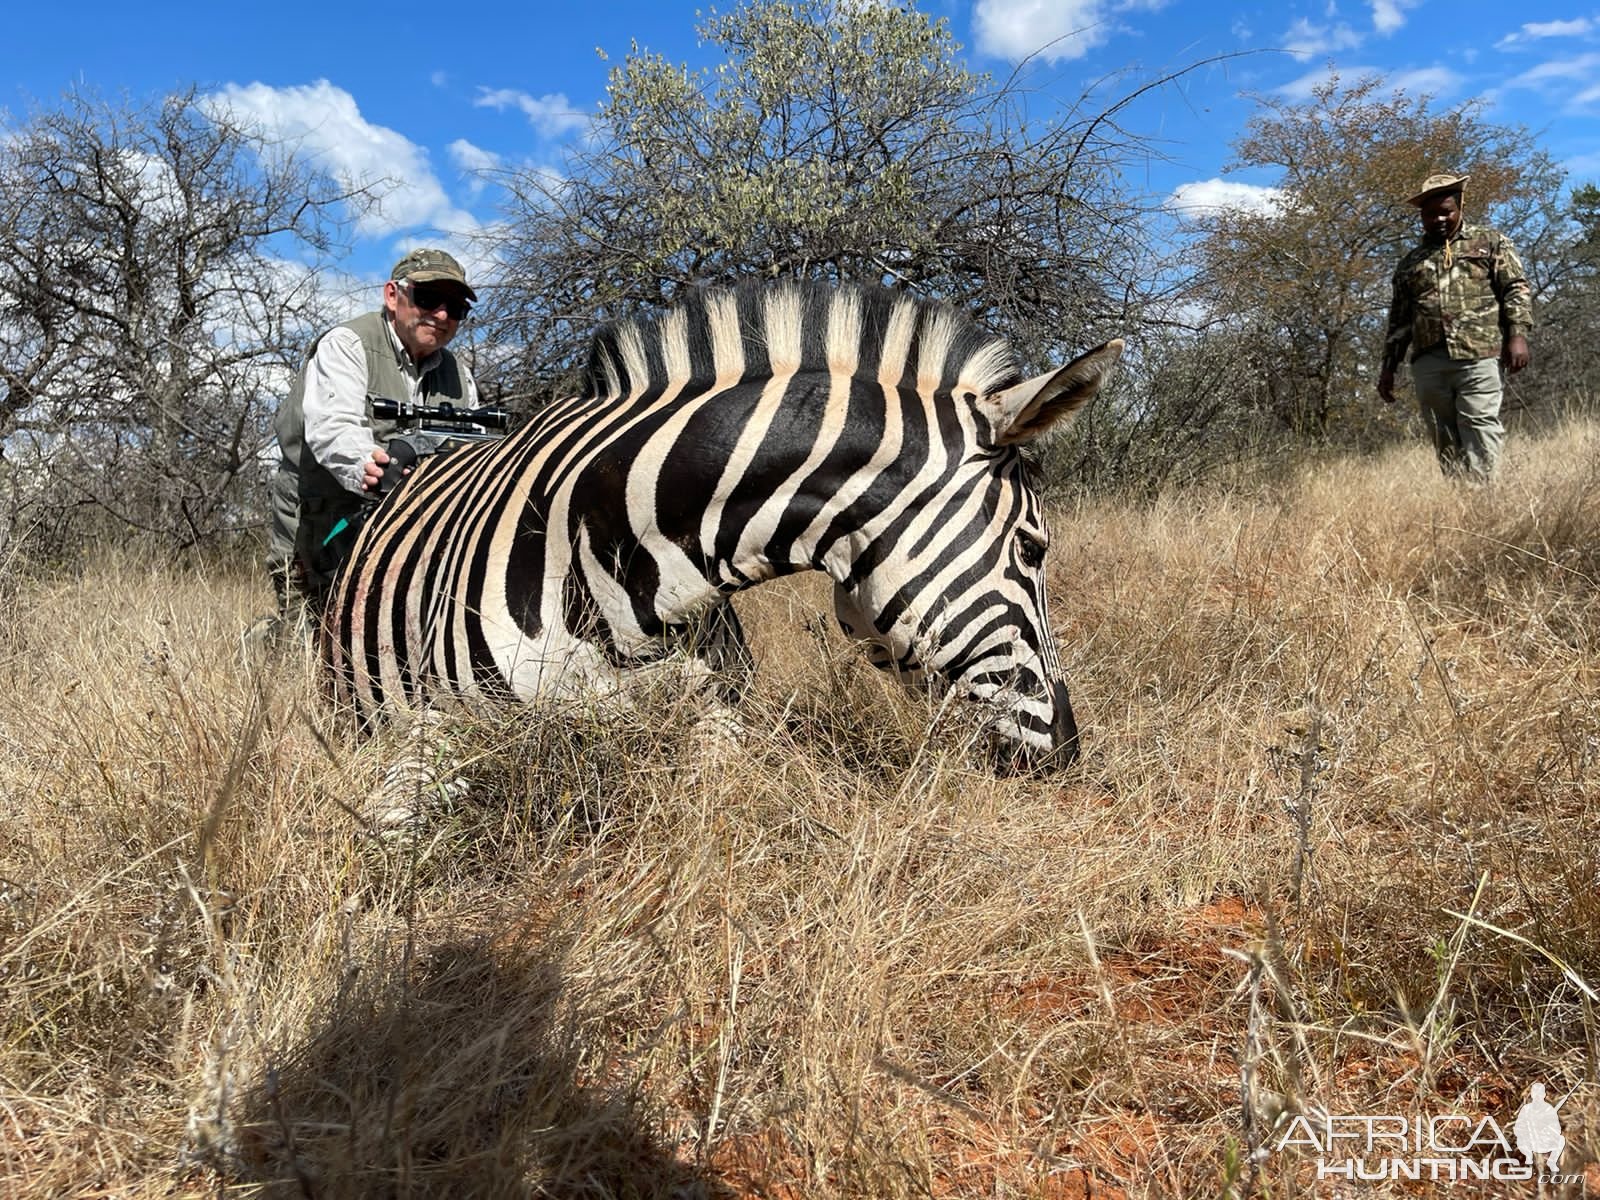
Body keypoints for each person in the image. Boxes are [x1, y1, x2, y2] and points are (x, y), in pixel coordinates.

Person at [267, 248, 479, 613]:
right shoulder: (347, 344)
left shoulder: (460, 376)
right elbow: (334, 429)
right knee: (307, 638)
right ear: (393, 296)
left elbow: (475, 443)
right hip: (322, 520)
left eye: (456, 307)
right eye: (428, 298)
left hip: (409, 529)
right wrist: (374, 468)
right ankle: (255, 643)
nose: (442, 315)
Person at [1378, 172, 1532, 480]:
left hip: (1479, 352)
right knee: (1442, 432)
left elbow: (1515, 287)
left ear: (1460, 207)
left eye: (1446, 211)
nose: (1439, 219)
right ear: (1422, 216)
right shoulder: (1410, 263)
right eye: (1430, 214)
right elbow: (1399, 319)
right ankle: (1458, 500)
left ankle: (1482, 500)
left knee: (1478, 422)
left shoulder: (1490, 241)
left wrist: (1517, 334)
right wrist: (1388, 367)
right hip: (1429, 361)